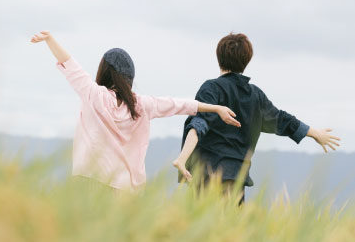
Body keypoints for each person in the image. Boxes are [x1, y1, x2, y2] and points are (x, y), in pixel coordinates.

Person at [30, 30, 241, 191]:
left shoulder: (94, 95)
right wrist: (216, 108)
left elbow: (71, 65)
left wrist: (50, 39)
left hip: (89, 182)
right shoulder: (143, 105)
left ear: (104, 72)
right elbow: (180, 104)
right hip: (125, 191)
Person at [172, 33, 341, 202]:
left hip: (207, 174)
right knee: (233, 227)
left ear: (219, 57)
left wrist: (182, 158)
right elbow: (281, 120)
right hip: (236, 177)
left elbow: (199, 123)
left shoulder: (211, 88)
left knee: (207, 226)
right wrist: (314, 133)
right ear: (247, 60)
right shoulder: (255, 95)